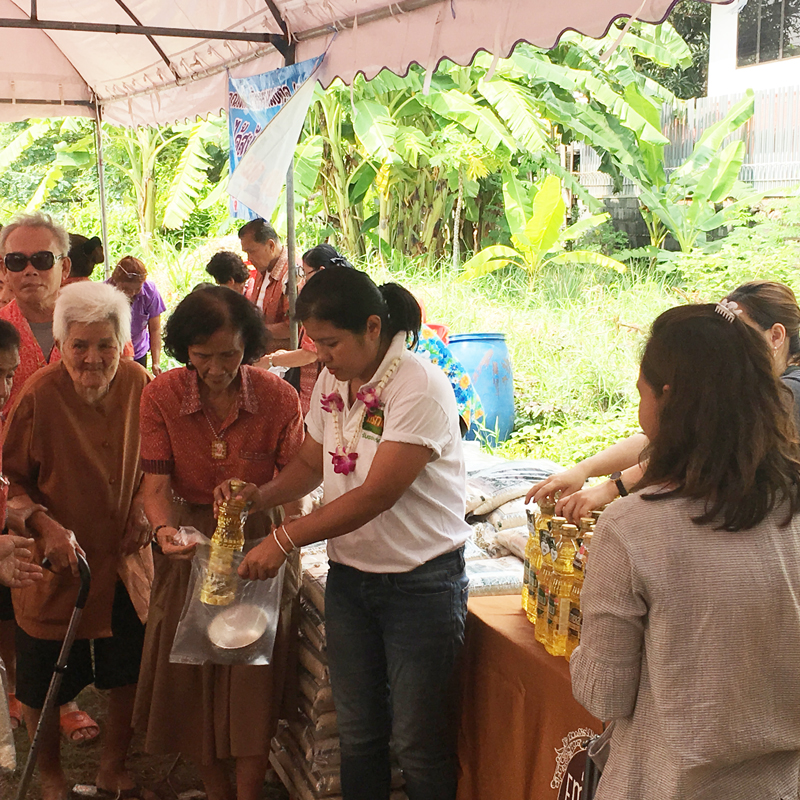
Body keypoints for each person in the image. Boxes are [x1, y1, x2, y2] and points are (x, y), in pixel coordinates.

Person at [215, 268, 471, 800]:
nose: (321, 356)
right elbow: (312, 462)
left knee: (417, 740)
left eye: (330, 343)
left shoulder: (419, 385)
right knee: (358, 734)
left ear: (373, 328)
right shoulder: (333, 380)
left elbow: (377, 494)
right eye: (315, 343)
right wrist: (258, 497)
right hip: (352, 580)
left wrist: (285, 540)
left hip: (420, 586)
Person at [571, 302, 800, 800]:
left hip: (667, 784)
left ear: (666, 399)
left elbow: (604, 692)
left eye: (640, 393)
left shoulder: (634, 526)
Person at [132, 286, 304, 800]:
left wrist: (282, 541)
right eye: (202, 356)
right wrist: (165, 532)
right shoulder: (160, 395)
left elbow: (297, 483)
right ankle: (215, 790)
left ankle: (247, 792)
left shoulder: (278, 397)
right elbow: (156, 486)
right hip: (189, 538)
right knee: (194, 671)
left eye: (228, 354)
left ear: (247, 346)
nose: (215, 368)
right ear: (185, 348)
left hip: (258, 540)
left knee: (252, 671)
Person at [3, 281, 153, 800]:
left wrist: (142, 506)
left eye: (104, 345)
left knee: (125, 673)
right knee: (44, 683)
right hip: (55, 564)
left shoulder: (139, 382)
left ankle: (113, 765)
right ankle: (50, 776)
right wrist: (45, 526)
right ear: (60, 346)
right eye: (79, 346)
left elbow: (156, 464)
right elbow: (9, 482)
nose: (92, 359)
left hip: (122, 559)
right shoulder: (39, 394)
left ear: (123, 343)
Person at [529, 280, 800, 523]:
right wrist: (584, 469)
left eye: (740, 336)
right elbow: (668, 435)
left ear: (776, 336)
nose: (724, 348)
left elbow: (693, 444)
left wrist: (612, 490)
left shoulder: (783, 395)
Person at [262, 244, 355, 414]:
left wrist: (270, 361)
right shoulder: (344, 297)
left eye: (305, 274)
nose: (303, 281)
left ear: (320, 271)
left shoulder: (323, 306)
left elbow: (309, 354)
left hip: (320, 388)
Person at [0, 212, 71, 412]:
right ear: (5, 271)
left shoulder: (97, 329)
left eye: (42, 259)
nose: (29, 270)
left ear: (64, 267)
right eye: (16, 261)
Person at [238, 218, 291, 352]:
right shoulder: (262, 270)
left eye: (252, 251)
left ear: (271, 246)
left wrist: (255, 330)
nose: (249, 258)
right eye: (246, 253)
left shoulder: (292, 275)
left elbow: (294, 327)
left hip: (283, 365)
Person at [107, 256, 165, 375]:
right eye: (125, 289)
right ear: (115, 281)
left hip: (139, 351)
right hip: (113, 353)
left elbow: (155, 329)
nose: (131, 293)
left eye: (137, 289)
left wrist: (156, 362)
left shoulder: (150, 291)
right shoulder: (104, 292)